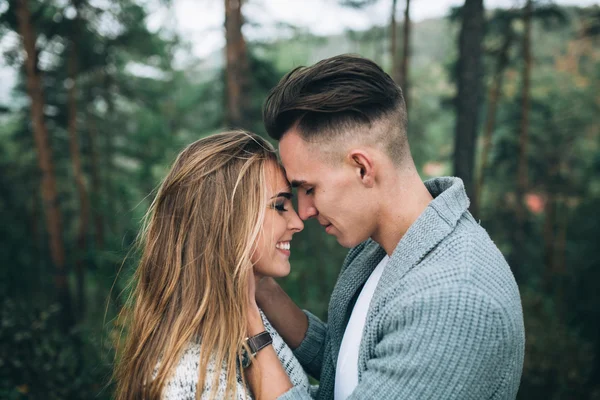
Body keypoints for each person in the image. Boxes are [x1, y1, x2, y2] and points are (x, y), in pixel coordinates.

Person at [251, 54, 526, 399]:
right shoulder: (380, 246)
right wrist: (259, 287)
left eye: (309, 188)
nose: (303, 211)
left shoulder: (453, 299)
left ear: (363, 168)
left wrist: (251, 329)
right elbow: (349, 366)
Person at [113, 131, 311, 399]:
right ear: (229, 221)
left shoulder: (257, 320)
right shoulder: (187, 378)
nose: (298, 222)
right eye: (279, 206)